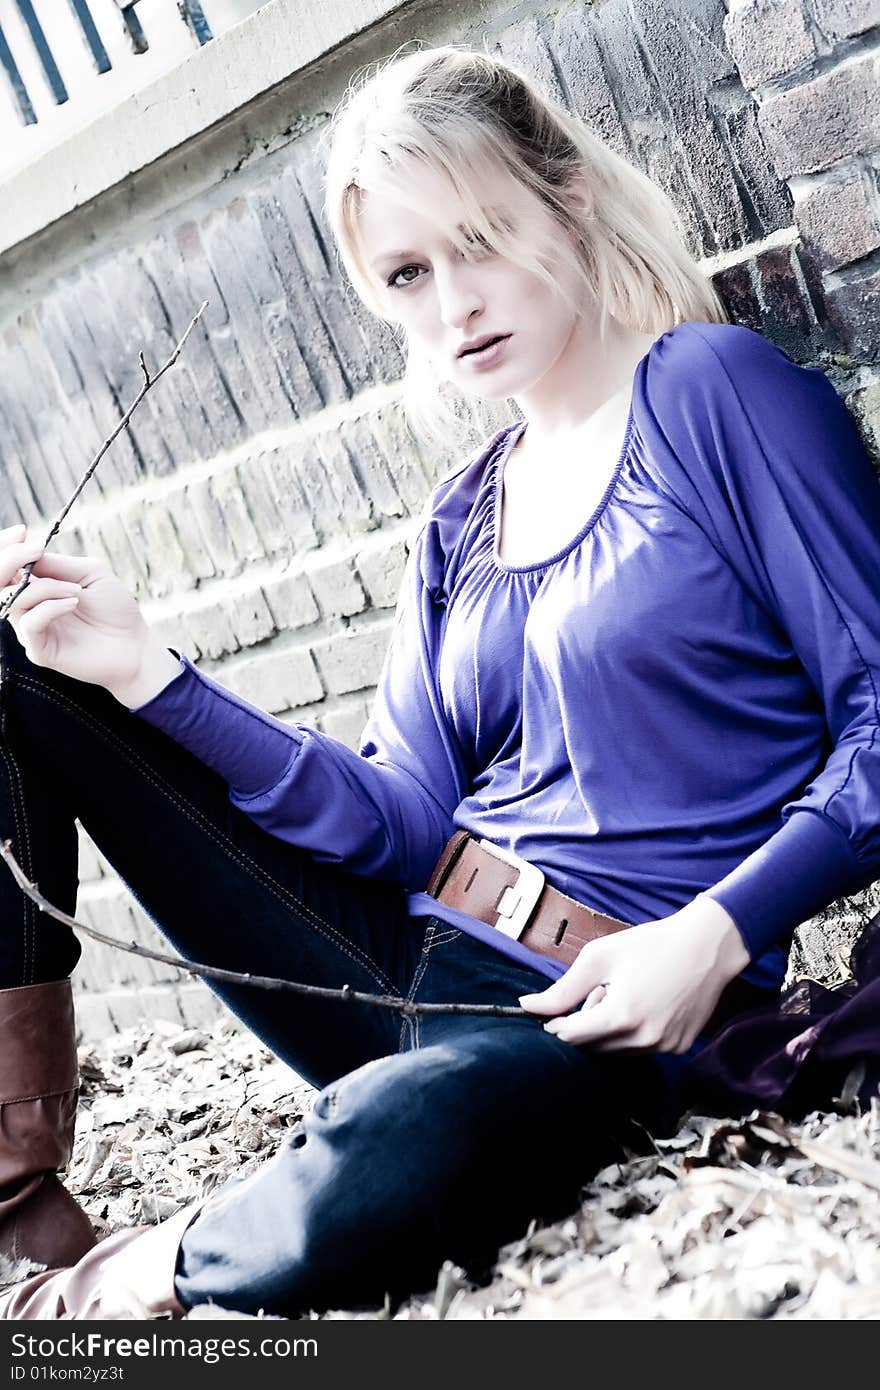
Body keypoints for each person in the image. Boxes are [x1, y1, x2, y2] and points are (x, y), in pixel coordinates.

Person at [0, 43, 878, 1320]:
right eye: (409, 274)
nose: (452, 303)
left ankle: (133, 1277)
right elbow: (399, 816)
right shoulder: (459, 518)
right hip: (396, 945)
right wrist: (147, 672)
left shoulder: (715, 397)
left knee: (407, 1152)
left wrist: (716, 931)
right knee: (14, 672)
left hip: (595, 1007)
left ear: (566, 199)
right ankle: (21, 1195)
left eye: (478, 241)